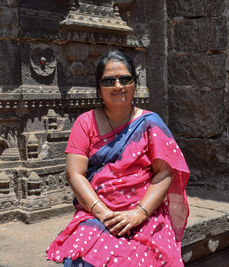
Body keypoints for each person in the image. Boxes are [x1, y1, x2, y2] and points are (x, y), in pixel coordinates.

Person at [47, 50, 189, 266]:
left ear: (134, 83)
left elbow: (164, 172)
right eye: (109, 81)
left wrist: (138, 214)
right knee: (83, 259)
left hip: (145, 210)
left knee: (144, 257)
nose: (118, 86)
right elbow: (74, 174)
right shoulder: (85, 123)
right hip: (97, 210)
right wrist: (103, 214)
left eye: (125, 79)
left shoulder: (151, 123)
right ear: (99, 87)